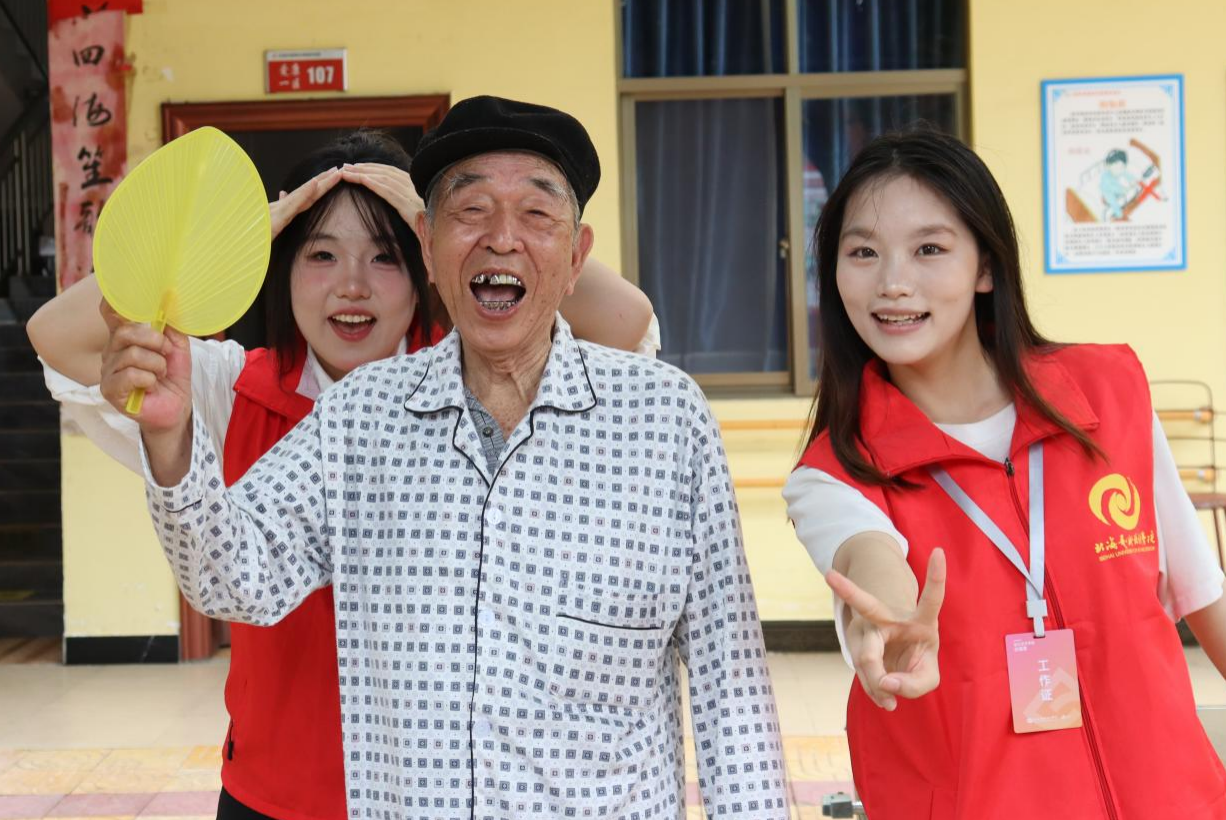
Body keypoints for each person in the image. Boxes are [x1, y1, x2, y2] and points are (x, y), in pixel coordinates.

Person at [107, 96, 787, 819]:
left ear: (576, 256)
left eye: (536, 213)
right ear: (429, 249)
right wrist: (170, 439)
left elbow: (731, 692)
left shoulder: (665, 419)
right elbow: (234, 578)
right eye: (471, 210)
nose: (502, 239)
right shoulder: (360, 416)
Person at [27, 128, 657, 820]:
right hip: (273, 797)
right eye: (321, 254)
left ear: (423, 265)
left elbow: (625, 321)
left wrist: (443, 221)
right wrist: (247, 231)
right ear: (283, 267)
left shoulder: (488, 385)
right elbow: (56, 333)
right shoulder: (228, 388)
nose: (351, 286)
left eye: (385, 256)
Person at [783, 128, 1226, 818]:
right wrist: (890, 622)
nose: (892, 281)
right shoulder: (833, 474)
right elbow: (870, 558)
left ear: (985, 267)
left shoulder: (1108, 393)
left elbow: (1204, 594)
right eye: (862, 252)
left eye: (930, 249)